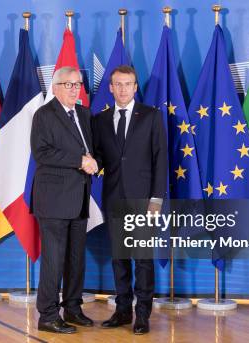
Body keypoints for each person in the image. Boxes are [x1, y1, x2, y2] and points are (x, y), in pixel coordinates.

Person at [92, 65, 168, 335]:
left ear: (136, 87)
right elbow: (101, 157)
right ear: (110, 88)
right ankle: (122, 310)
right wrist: (91, 163)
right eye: (118, 84)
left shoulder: (151, 116)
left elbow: (161, 159)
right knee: (119, 258)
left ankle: (143, 314)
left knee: (143, 259)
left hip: (143, 200)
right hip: (114, 198)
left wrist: (156, 200)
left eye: (128, 84)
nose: (123, 89)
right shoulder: (100, 121)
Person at [30, 66, 98, 334]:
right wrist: (79, 161)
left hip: (79, 197)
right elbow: (42, 153)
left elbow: (91, 151)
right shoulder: (44, 115)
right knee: (54, 260)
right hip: (54, 200)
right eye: (68, 84)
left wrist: (94, 162)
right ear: (56, 87)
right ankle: (47, 315)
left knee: (75, 258)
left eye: (77, 84)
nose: (74, 89)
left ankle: (72, 307)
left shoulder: (83, 113)